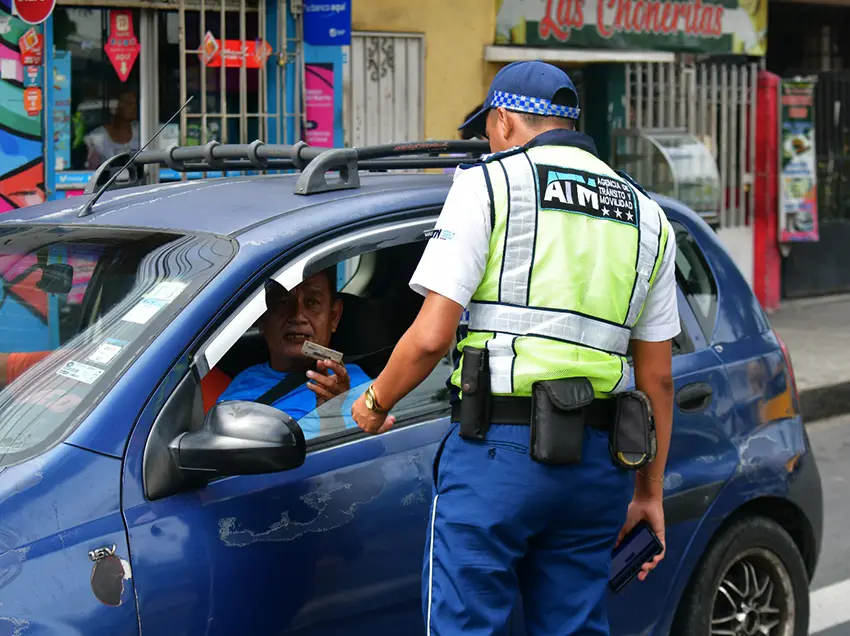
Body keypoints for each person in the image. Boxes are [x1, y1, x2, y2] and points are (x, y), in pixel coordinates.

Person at [351, 60, 679, 635]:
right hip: (601, 464)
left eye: (486, 130)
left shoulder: (488, 183)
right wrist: (649, 491)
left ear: (502, 119)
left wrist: (375, 402)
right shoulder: (647, 215)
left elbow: (431, 336)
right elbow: (658, 380)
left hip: (499, 455)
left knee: (466, 624)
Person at [218, 268, 371, 427]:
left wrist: (332, 416)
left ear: (334, 317)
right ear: (262, 319)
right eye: (283, 303)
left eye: (312, 303)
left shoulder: (359, 387)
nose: (298, 317)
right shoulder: (245, 381)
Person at [85, 90, 140, 169]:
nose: (134, 108)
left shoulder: (142, 131)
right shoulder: (96, 137)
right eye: (129, 104)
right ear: (115, 107)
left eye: (135, 104)